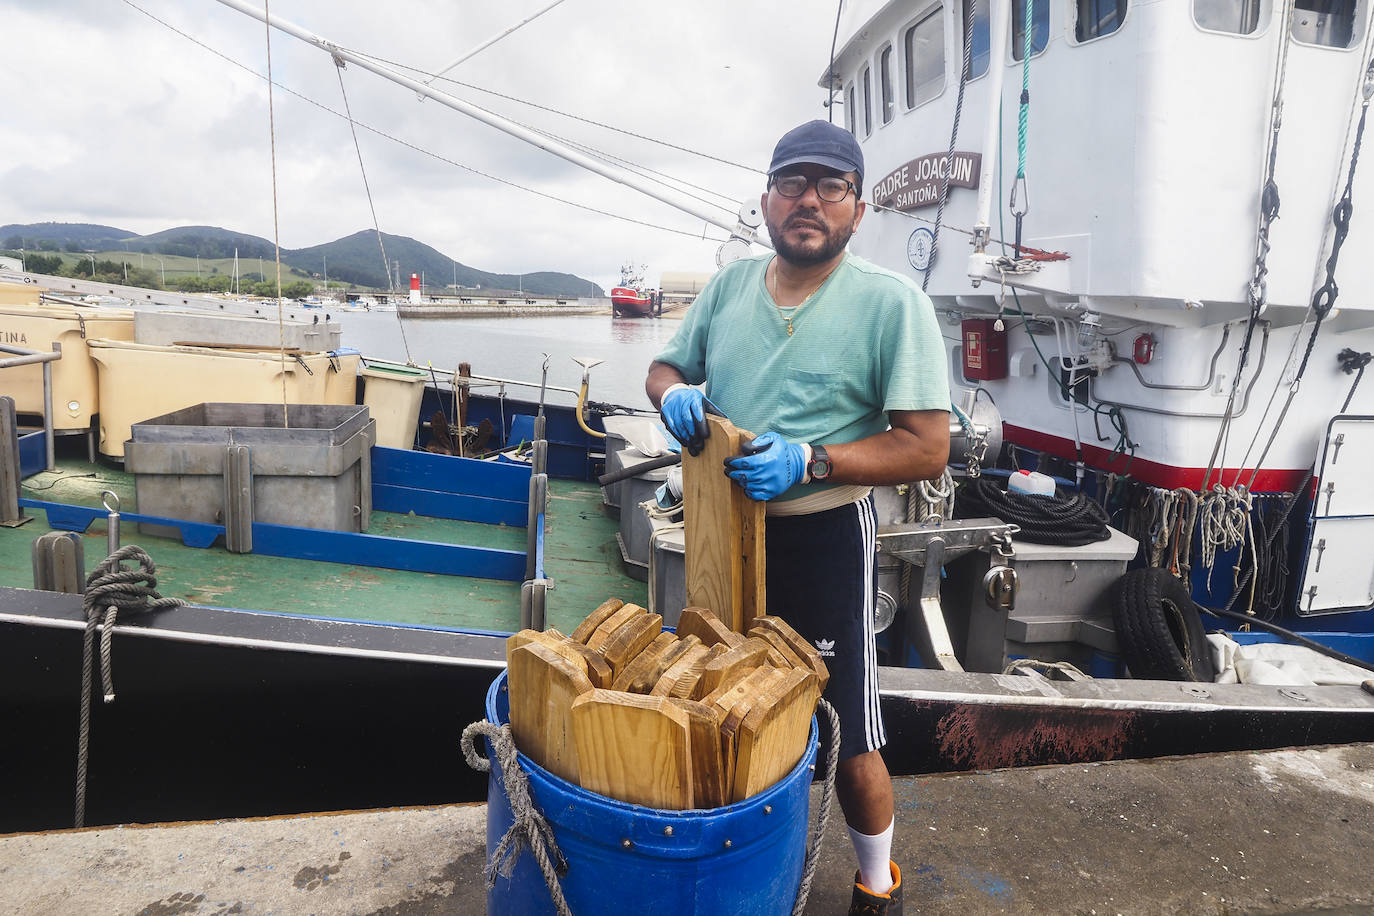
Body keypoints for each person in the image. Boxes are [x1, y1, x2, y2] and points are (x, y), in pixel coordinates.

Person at [645, 119, 950, 916]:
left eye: (830, 187)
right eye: (792, 184)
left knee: (847, 728)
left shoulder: (893, 304)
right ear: (767, 199)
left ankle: (877, 878)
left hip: (824, 536)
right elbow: (667, 365)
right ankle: (738, 865)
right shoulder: (729, 287)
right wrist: (672, 392)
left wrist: (814, 458)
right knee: (717, 698)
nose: (808, 201)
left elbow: (926, 448)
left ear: (856, 208)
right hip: (722, 531)